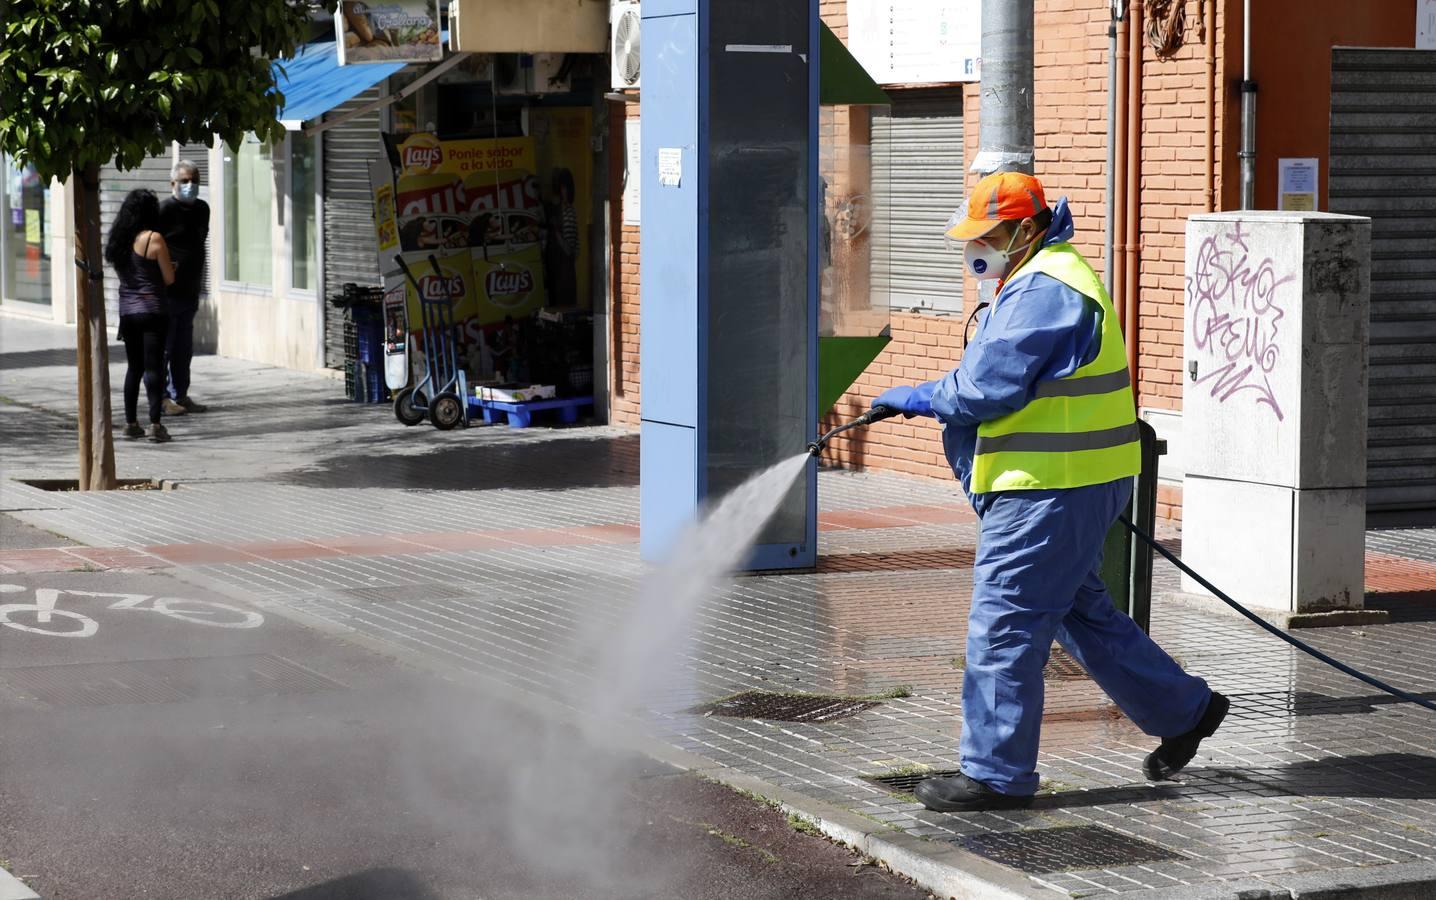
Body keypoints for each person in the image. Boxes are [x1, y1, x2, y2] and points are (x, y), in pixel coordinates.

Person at [871, 172, 1227, 813]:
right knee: (1079, 613)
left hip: (1049, 491)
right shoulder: (1043, 275)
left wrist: (921, 396)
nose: (977, 247)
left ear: (1026, 230)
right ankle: (1185, 709)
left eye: (990, 235)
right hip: (1069, 484)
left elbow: (985, 389)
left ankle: (994, 776)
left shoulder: (1044, 289)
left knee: (1004, 624)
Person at [104, 189, 175, 444]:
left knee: (133, 368)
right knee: (154, 368)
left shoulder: (120, 241)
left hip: (128, 313)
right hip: (153, 311)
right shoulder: (153, 239)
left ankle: (130, 423)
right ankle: (155, 425)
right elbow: (168, 278)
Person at [157, 160, 210, 415]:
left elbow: (199, 241)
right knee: (164, 349)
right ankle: (163, 399)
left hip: (190, 291)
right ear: (173, 184)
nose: (191, 185)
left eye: (195, 180)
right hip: (167, 293)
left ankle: (182, 394)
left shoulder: (202, 209)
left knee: (183, 349)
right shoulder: (163, 210)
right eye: (185, 181)